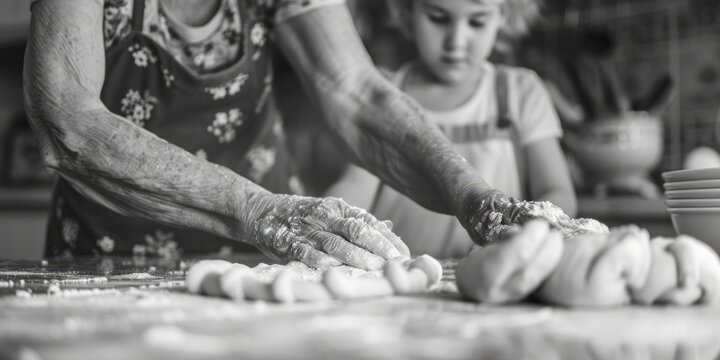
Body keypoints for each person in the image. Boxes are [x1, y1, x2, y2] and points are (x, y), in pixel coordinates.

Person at [327, 0, 576, 258]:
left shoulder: (520, 93)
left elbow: (556, 192)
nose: (456, 41)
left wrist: (527, 236)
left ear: (503, 15)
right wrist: (328, 216)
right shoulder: (382, 94)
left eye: (477, 22)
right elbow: (355, 187)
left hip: (492, 267)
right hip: (398, 274)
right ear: (409, 11)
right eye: (438, 18)